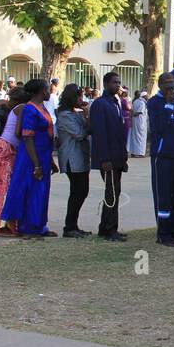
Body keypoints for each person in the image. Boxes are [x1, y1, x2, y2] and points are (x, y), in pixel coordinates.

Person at [0, 78, 57, 238]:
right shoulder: (30, 110)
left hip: (44, 155)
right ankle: (26, 227)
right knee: (29, 190)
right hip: (31, 156)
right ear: (40, 91)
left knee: (41, 191)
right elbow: (27, 137)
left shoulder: (42, 107)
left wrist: (50, 160)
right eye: (46, 89)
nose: (49, 92)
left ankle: (39, 225)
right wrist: (37, 164)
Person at [146, 72, 174, 246]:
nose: (172, 91)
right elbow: (159, 128)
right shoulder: (154, 103)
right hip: (163, 156)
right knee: (164, 195)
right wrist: (168, 106)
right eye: (168, 88)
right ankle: (163, 233)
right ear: (161, 87)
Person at [89, 71, 129, 241]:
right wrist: (104, 159)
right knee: (111, 193)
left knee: (115, 192)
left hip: (117, 156)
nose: (117, 85)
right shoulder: (100, 104)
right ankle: (108, 229)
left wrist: (123, 156)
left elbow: (119, 132)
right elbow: (100, 134)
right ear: (106, 84)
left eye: (119, 82)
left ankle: (108, 226)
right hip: (108, 158)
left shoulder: (116, 102)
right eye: (114, 82)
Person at [55, 84, 91, 238]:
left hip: (81, 158)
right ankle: (69, 227)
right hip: (72, 158)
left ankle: (73, 225)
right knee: (78, 191)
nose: (81, 100)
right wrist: (87, 115)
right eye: (79, 97)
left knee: (82, 191)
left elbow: (88, 128)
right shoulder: (64, 116)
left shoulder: (75, 114)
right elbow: (80, 133)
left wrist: (85, 115)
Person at [0, 87, 26, 236]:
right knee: (4, 188)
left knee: (3, 187)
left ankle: (0, 223)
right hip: (6, 149)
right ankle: (1, 224)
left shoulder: (14, 109)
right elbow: (18, 132)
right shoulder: (21, 108)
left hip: (2, 148)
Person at [129, 90, 148, 157]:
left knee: (135, 137)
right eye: (146, 96)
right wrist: (133, 114)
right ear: (144, 96)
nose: (147, 97)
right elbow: (139, 112)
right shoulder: (142, 103)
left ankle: (134, 152)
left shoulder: (135, 101)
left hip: (135, 121)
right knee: (141, 138)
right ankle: (139, 153)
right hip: (140, 122)